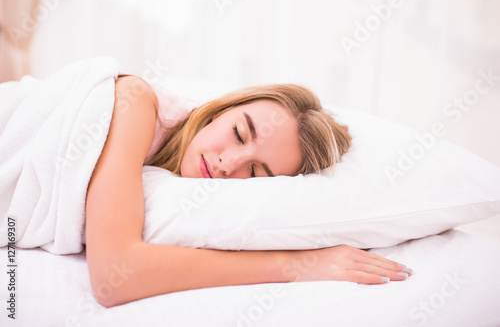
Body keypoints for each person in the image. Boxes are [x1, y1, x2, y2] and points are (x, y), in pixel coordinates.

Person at [85, 75, 413, 308]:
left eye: (255, 172)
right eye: (240, 133)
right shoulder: (135, 100)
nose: (229, 164)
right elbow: (114, 277)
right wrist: (299, 265)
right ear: (219, 111)